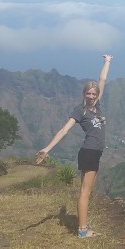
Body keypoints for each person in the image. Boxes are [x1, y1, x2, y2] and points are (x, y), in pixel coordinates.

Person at [36, 54, 113, 238]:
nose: (92, 95)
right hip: (89, 153)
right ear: (84, 94)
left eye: (94, 93)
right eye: (89, 93)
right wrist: (47, 148)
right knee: (85, 192)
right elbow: (64, 130)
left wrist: (107, 61)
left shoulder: (97, 105)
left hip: (96, 152)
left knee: (88, 190)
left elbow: (102, 79)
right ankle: (82, 231)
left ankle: (83, 224)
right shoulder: (80, 110)